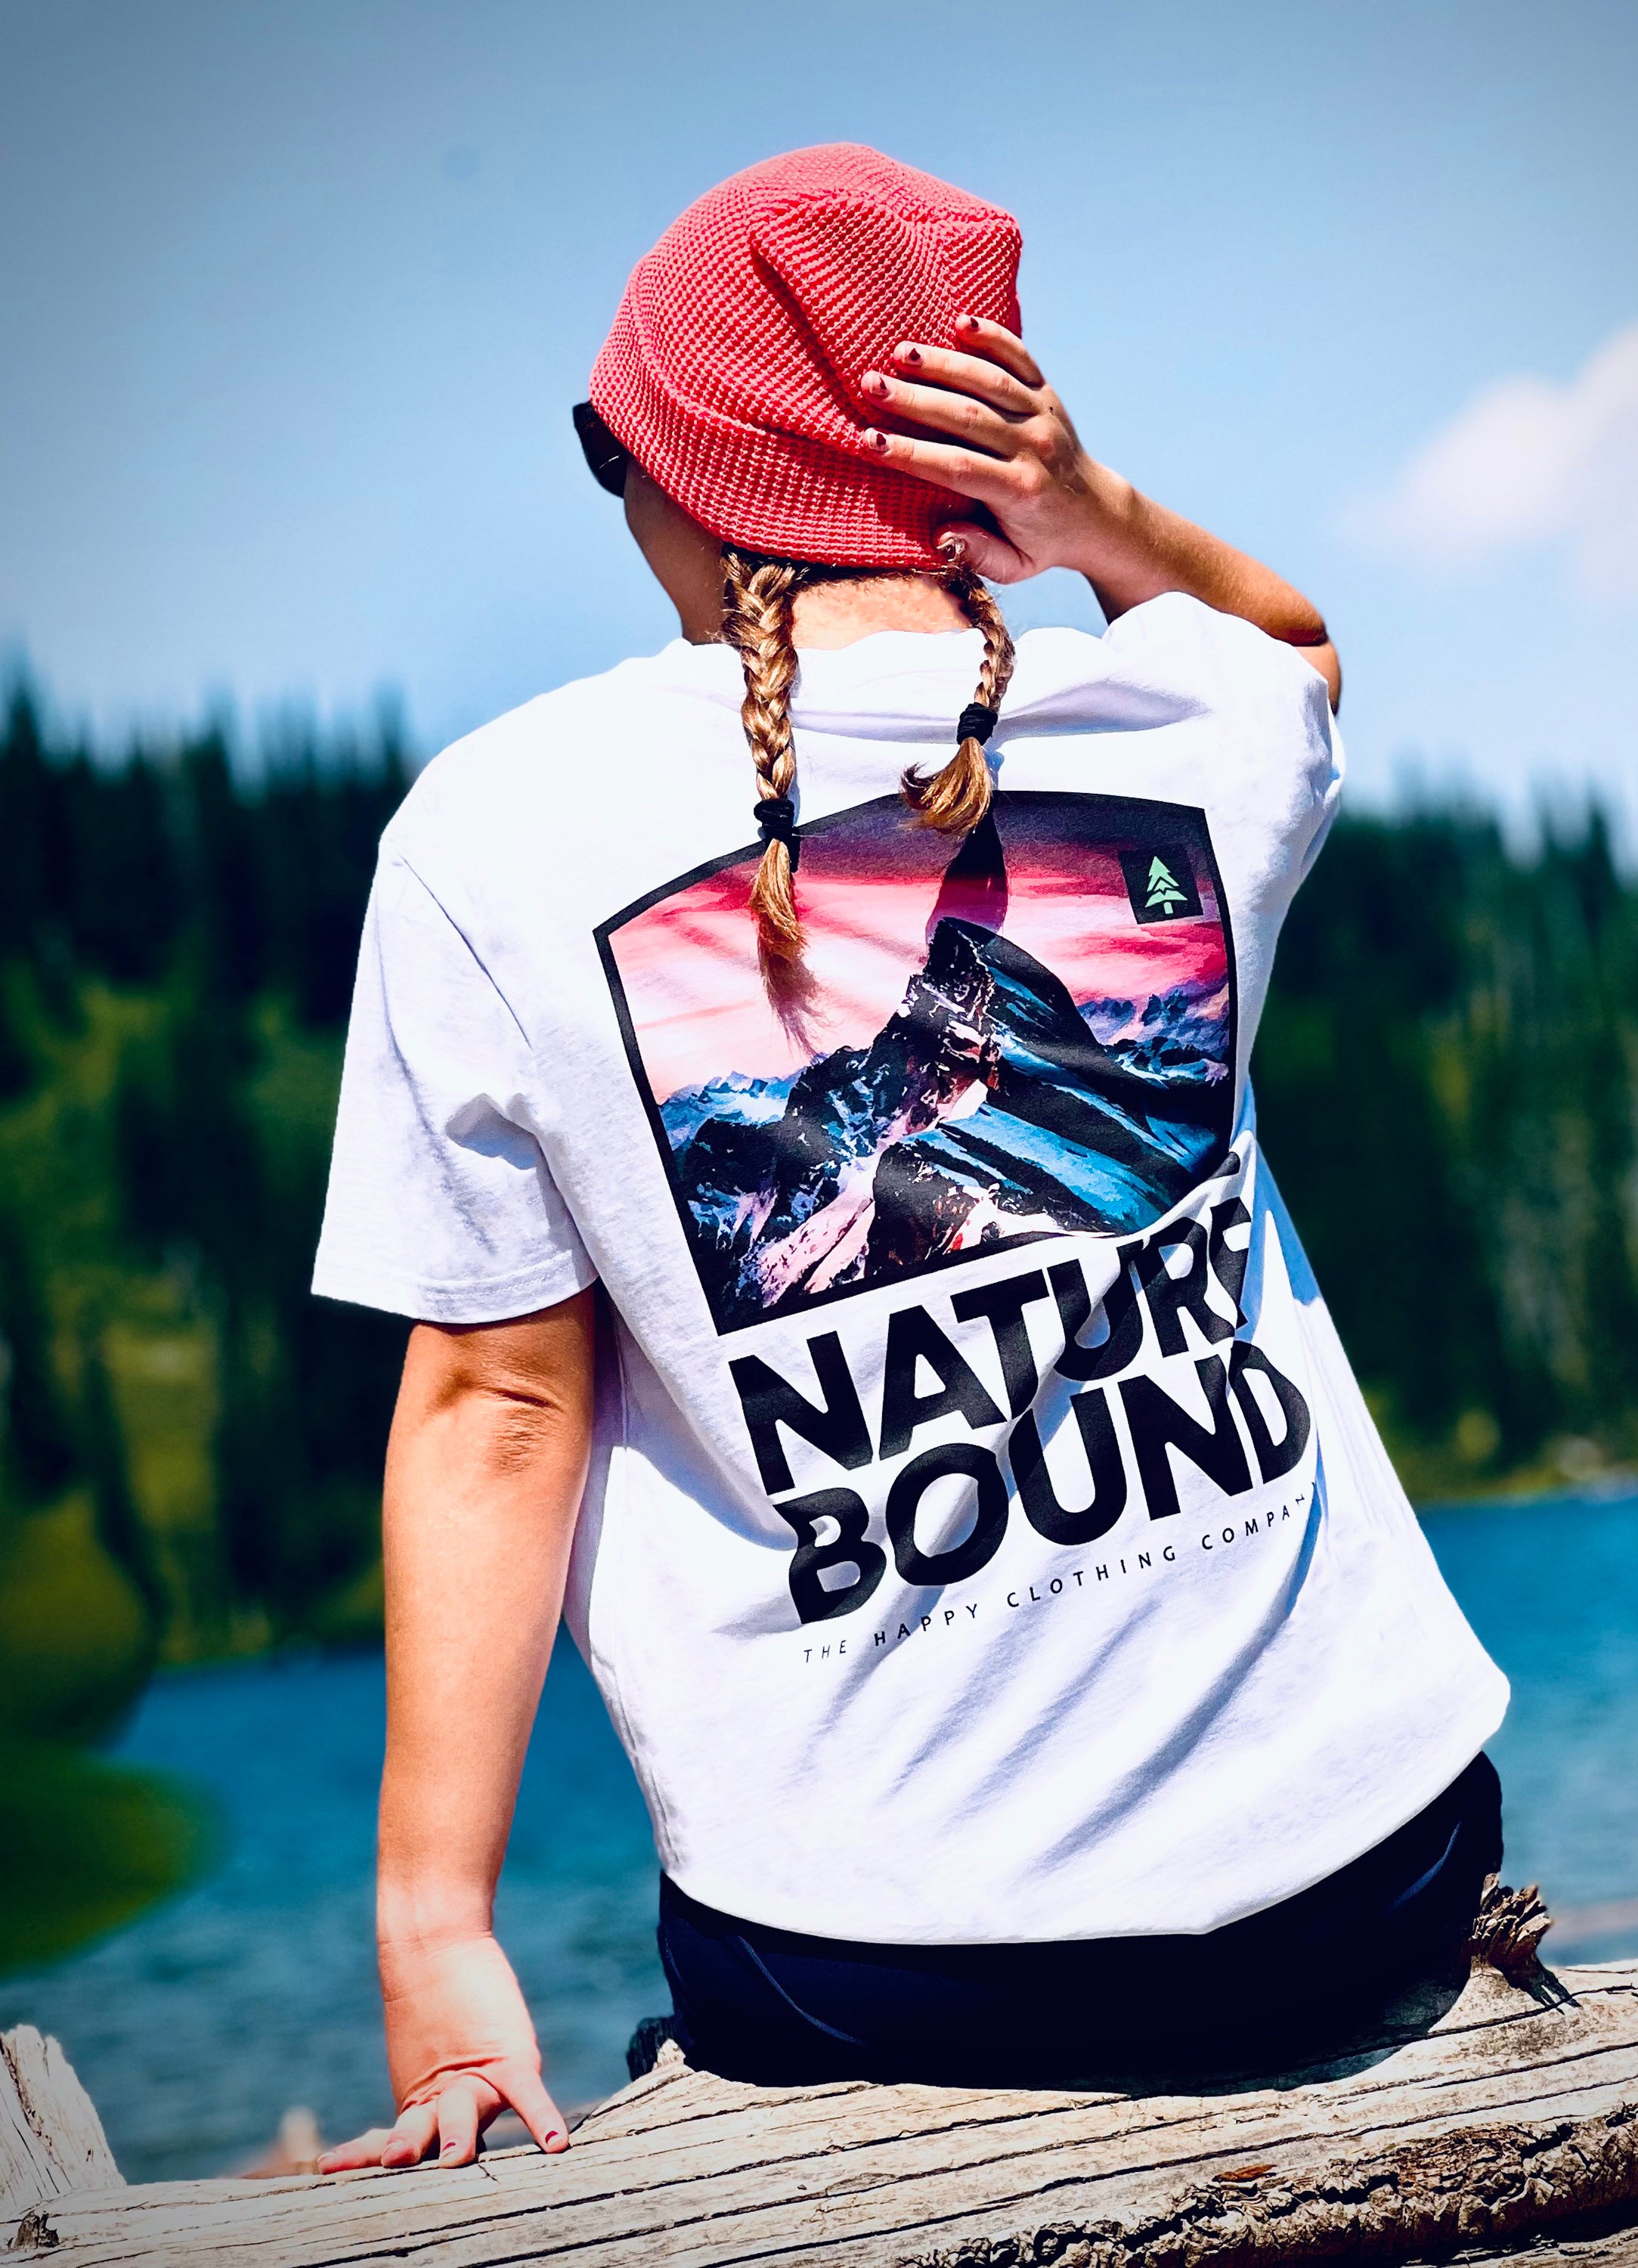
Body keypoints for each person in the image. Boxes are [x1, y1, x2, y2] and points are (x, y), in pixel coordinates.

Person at [312, 144, 1509, 2174]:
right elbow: (1300, 650)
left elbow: (500, 1407)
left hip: (889, 1978)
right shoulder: (1176, 711)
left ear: (690, 473)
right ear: (975, 466)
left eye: (616, 455)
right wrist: (1102, 518)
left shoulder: (493, 835)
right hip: (1368, 1881)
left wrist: (436, 1941)